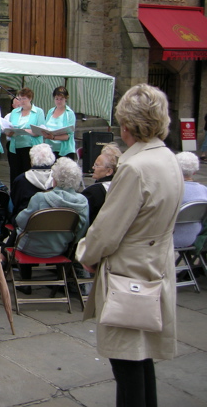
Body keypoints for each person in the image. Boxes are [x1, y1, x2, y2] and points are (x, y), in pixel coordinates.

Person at [76, 83, 184, 407]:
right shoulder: (167, 157)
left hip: (130, 274)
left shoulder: (134, 167)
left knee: (127, 363)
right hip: (155, 266)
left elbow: (106, 230)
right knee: (141, 357)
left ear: (127, 124)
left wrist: (85, 254)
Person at [15, 157, 89, 258]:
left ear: (55, 179)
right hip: (61, 248)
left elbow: (21, 221)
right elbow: (81, 231)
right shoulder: (82, 202)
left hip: (32, 248)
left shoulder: (40, 198)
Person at [6, 88, 45, 184]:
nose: (21, 101)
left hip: (31, 147)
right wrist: (9, 131)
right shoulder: (15, 112)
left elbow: (41, 130)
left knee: (29, 174)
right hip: (15, 146)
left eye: (24, 99)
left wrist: (26, 131)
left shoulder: (38, 112)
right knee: (15, 174)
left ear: (30, 98)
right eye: (20, 99)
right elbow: (10, 126)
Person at [81, 143, 122, 225]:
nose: (93, 167)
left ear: (109, 171)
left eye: (97, 165)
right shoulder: (122, 186)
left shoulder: (93, 192)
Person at [173, 152, 207, 247]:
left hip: (167, 238)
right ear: (195, 172)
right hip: (193, 238)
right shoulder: (204, 190)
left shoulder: (170, 190)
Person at [43, 86, 76, 160]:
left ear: (65, 99)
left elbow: (69, 135)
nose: (59, 101)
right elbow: (45, 126)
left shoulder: (69, 113)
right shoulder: (50, 111)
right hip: (50, 149)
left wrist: (54, 137)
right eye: (56, 99)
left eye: (61, 99)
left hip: (65, 150)